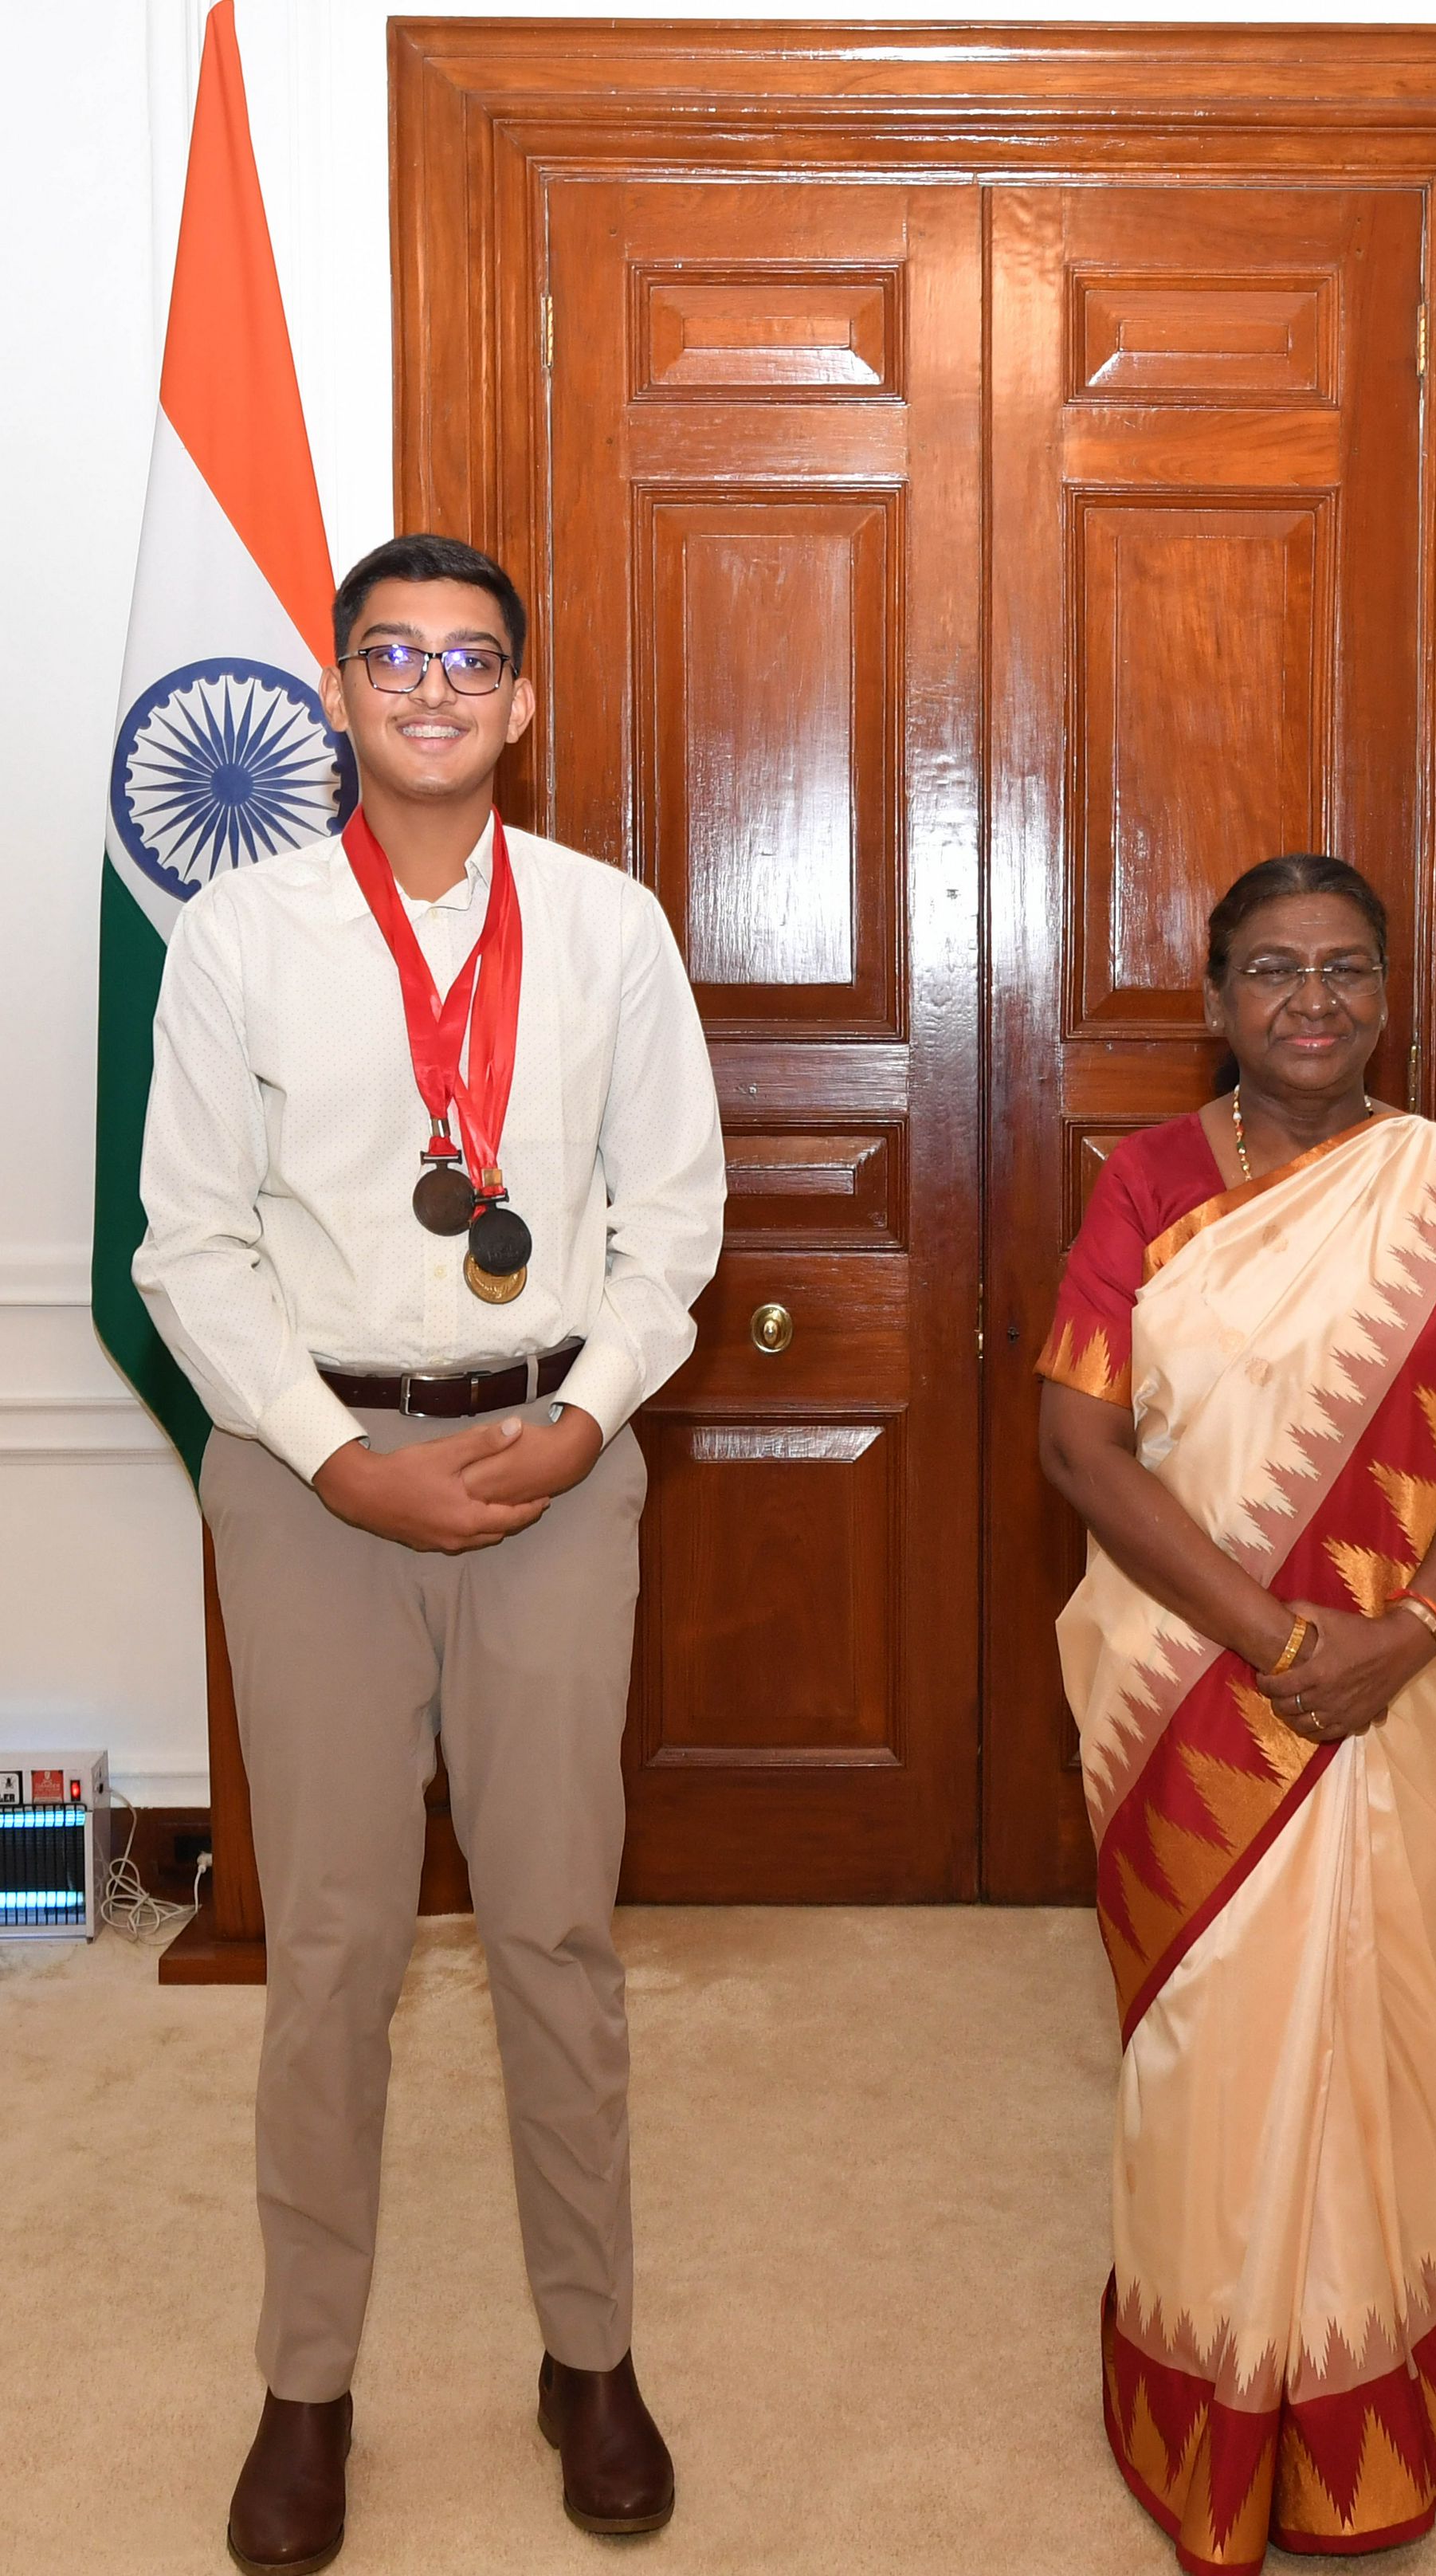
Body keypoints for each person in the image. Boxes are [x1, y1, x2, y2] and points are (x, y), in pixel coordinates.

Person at [134, 532, 725, 2571]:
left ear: (520, 703)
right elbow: (188, 1243)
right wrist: (336, 1457)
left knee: (555, 1928)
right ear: (339, 693)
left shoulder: (610, 926)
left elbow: (672, 1220)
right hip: (311, 1478)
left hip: (554, 1457)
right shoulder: (241, 934)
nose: (432, 688)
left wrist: (583, 1418)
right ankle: (307, 2381)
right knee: (331, 1946)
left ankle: (590, 2353)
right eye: (392, 655)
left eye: (472, 659)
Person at [1037, 855, 1436, 2574]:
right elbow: (1078, 1445)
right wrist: (1280, 1638)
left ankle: (1383, 2396)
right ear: (1215, 1000)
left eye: (1345, 968)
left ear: (1386, 992)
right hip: (1190, 1683)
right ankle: (1205, 2399)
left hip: (1399, 1681)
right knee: (1207, 2043)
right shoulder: (1145, 1184)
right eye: (1272, 969)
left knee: (1379, 2042)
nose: (1312, 1000)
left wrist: (1409, 1630)